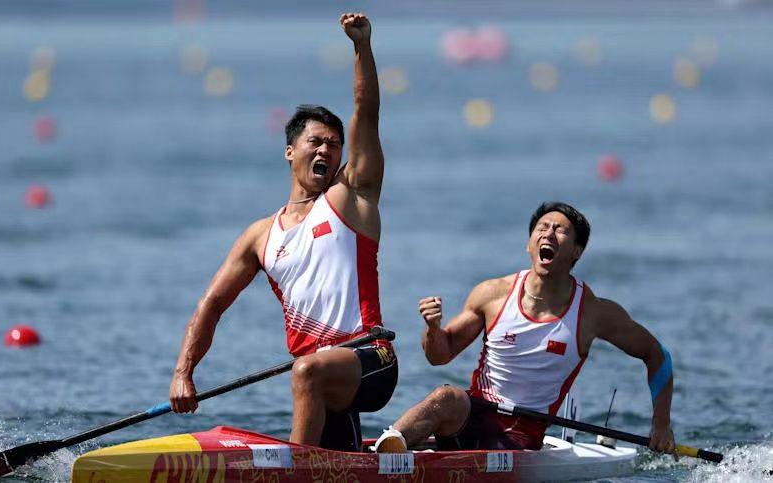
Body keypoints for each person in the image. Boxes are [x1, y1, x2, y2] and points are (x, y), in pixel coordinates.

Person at [169, 12, 397, 452]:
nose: (327, 149)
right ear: (290, 152)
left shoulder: (352, 197)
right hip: (321, 375)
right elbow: (212, 304)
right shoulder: (260, 236)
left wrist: (361, 47)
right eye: (316, 142)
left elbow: (367, 114)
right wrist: (183, 373)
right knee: (333, 446)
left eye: (334, 144)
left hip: (371, 357)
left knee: (305, 372)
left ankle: (293, 469)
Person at [374, 202, 676, 457]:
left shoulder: (593, 313)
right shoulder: (492, 294)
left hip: (521, 434)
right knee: (446, 396)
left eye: (561, 230)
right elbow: (438, 356)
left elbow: (656, 354)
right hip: (472, 413)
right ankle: (384, 450)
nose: (549, 233)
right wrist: (432, 328)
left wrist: (661, 424)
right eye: (542, 227)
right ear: (530, 243)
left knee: (488, 443)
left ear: (577, 252)